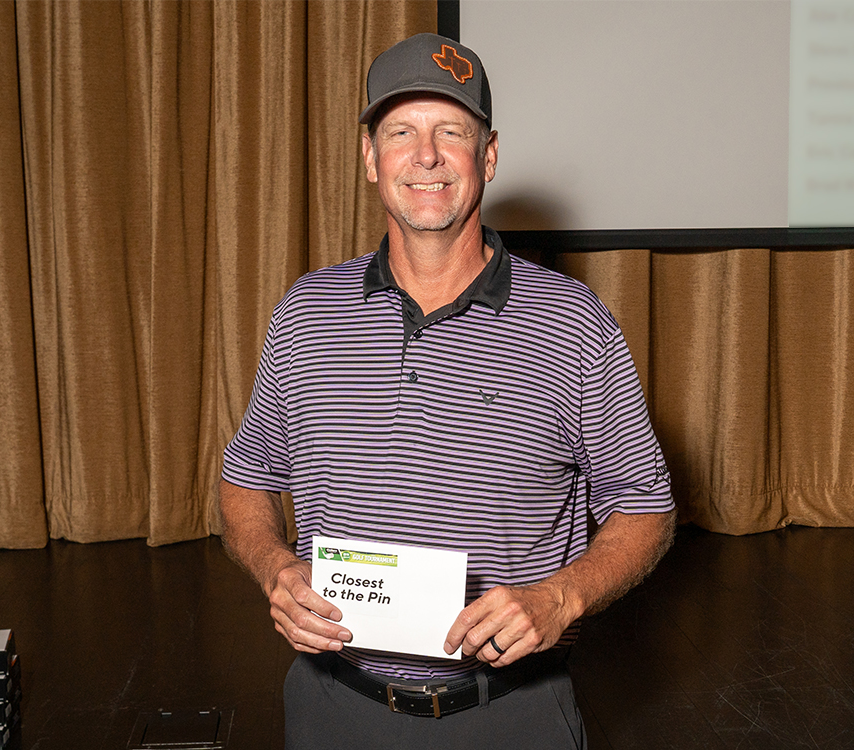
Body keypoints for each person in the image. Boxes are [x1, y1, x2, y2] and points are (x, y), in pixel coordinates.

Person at [219, 33, 676, 749]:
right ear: (370, 157)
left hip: (514, 714)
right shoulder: (306, 313)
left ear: (488, 156)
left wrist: (563, 596)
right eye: (401, 132)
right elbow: (245, 482)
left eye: (452, 132)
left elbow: (645, 509)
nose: (425, 156)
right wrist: (276, 568)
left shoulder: (574, 323)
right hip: (332, 708)